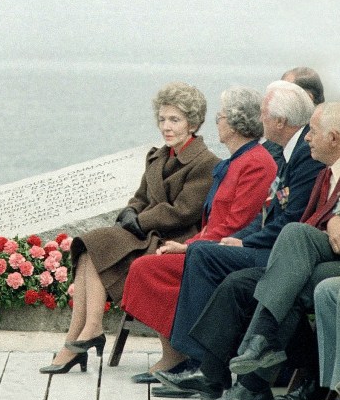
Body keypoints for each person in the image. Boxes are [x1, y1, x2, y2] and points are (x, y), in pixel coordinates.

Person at [162, 101, 340, 400]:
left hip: (325, 261)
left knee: (291, 252)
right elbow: (283, 217)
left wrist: (332, 220)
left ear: (334, 138)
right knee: (239, 284)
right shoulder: (325, 174)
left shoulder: (309, 165)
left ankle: (257, 363)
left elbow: (296, 225)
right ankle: (214, 374)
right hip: (306, 260)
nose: (308, 137)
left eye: (313, 132)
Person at [40, 82, 218, 375]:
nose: (166, 126)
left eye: (175, 119)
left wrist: (141, 220)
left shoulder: (206, 163)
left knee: (97, 245)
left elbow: (183, 211)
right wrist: (131, 211)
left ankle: (84, 337)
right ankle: (82, 333)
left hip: (174, 238)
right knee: (88, 245)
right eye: (162, 119)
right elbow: (141, 197)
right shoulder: (158, 156)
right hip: (148, 233)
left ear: (193, 122)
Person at [121, 87, 277, 382]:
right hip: (209, 246)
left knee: (147, 268)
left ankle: (180, 357)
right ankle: (176, 355)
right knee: (147, 266)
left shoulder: (255, 162)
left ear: (233, 124)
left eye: (220, 117)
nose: (216, 122)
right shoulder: (237, 160)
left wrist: (188, 246)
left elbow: (234, 224)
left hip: (223, 251)